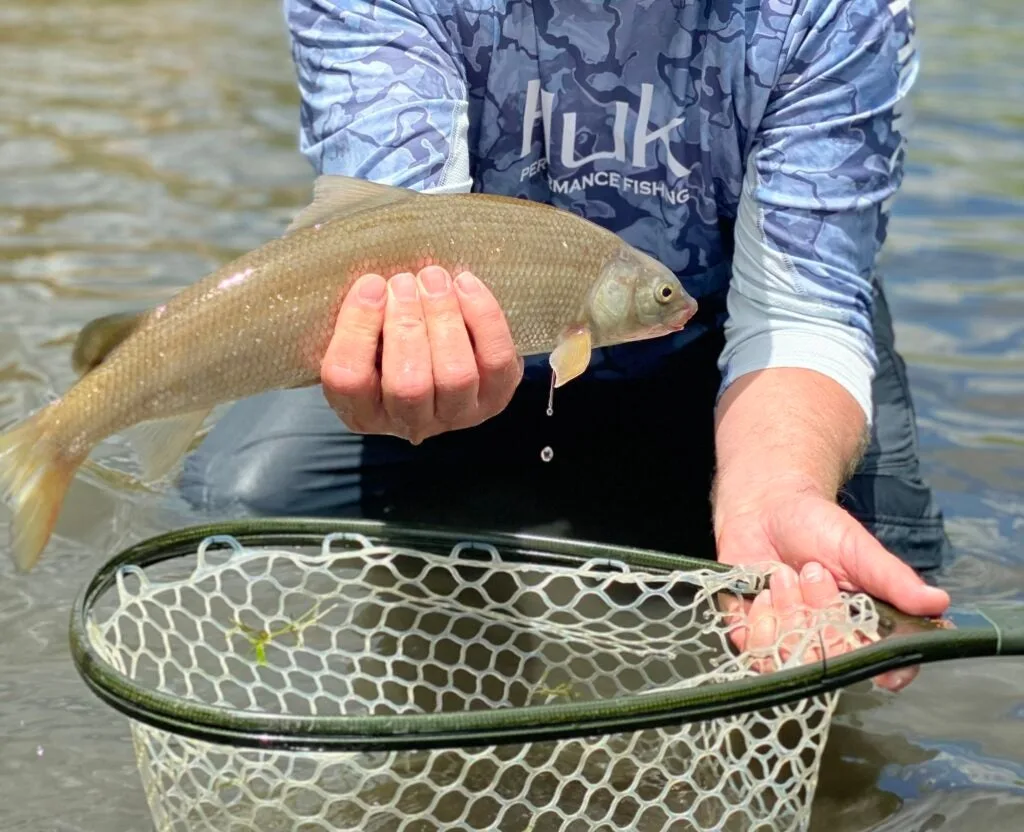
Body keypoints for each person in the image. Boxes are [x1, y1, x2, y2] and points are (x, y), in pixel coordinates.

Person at [179, 0, 952, 684]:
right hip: (497, 342)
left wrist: (774, 491)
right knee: (239, 504)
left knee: (874, 600)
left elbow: (801, 307)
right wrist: (409, 363)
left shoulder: (837, 10)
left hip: (736, 332)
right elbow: (401, 234)